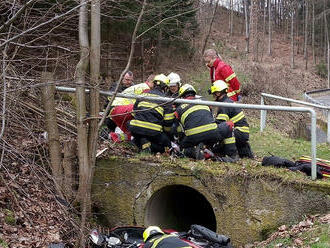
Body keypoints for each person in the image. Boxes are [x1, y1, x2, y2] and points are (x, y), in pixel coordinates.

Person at [174, 84, 233, 160]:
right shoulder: (205, 102)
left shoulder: (179, 109)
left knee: (185, 148)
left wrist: (181, 141)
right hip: (211, 133)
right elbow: (210, 116)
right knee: (230, 124)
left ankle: (195, 152)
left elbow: (177, 127)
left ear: (181, 96)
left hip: (192, 137)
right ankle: (232, 155)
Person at [127, 74, 174, 153]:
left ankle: (139, 143)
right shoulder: (166, 100)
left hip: (135, 128)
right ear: (165, 88)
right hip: (153, 131)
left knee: (140, 136)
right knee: (167, 145)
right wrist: (168, 133)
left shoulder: (142, 95)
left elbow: (134, 112)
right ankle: (150, 146)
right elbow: (168, 122)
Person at [211, 80, 253, 158]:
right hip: (241, 132)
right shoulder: (228, 102)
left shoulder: (224, 105)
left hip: (238, 132)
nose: (213, 97)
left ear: (218, 93)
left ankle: (230, 155)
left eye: (214, 94)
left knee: (220, 134)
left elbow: (220, 124)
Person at [108, 74, 155, 143]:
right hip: (120, 109)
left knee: (131, 134)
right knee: (143, 113)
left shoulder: (140, 86)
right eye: (155, 83)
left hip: (115, 110)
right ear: (150, 82)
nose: (156, 86)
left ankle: (113, 136)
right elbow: (146, 105)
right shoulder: (146, 88)